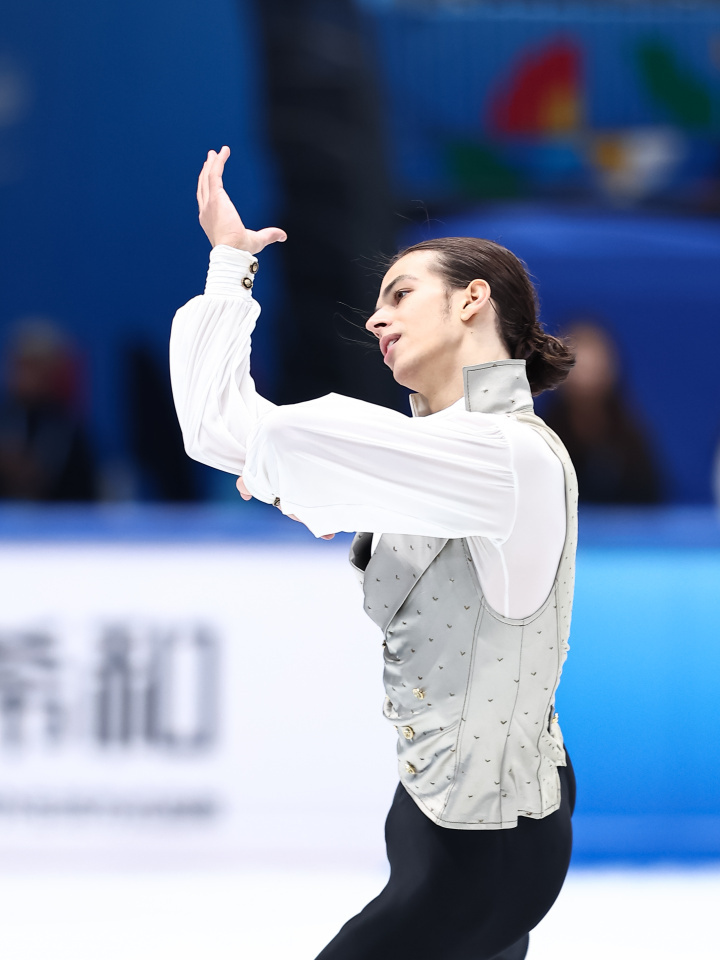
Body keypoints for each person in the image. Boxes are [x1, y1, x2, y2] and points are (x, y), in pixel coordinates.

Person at [170, 147, 578, 960]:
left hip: (489, 847)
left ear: (472, 300)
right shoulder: (443, 456)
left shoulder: (506, 455)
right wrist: (228, 265)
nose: (374, 320)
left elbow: (246, 432)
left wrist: (231, 271)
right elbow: (227, 435)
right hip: (433, 816)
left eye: (399, 295)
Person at [542, 320, 663, 504]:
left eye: (593, 368)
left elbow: (649, 500)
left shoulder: (631, 442)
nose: (585, 380)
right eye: (577, 368)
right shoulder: (543, 439)